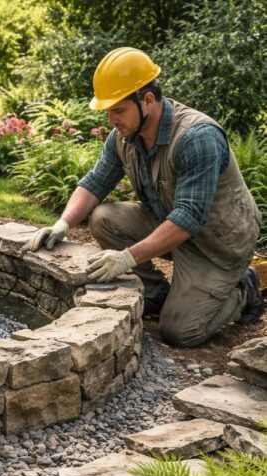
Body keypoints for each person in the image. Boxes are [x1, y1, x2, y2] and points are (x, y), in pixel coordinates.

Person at [28, 47, 264, 348]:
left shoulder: (196, 137)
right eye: (108, 111)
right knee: (103, 219)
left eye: (118, 109)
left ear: (147, 101)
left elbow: (189, 218)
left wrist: (126, 258)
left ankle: (244, 289)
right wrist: (62, 224)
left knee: (180, 331)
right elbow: (95, 182)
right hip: (170, 222)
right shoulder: (124, 136)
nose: (111, 119)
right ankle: (154, 294)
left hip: (217, 244)